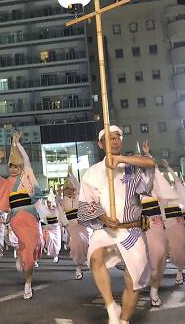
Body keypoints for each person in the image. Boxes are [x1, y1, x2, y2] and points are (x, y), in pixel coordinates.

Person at [78, 126, 155, 324]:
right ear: (100, 144)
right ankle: (111, 305)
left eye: (117, 137)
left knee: (133, 280)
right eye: (109, 138)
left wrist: (121, 159)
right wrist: (103, 217)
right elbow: (85, 206)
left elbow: (150, 164)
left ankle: (124, 320)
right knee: (95, 258)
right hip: (106, 229)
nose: (114, 141)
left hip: (132, 230)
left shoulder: (132, 166)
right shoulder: (92, 172)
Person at [0, 131, 46, 300]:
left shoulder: (26, 176)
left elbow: (27, 161)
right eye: (10, 166)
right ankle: (28, 283)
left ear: (21, 167)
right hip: (17, 219)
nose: (13, 169)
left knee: (34, 243)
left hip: (31, 217)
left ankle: (23, 256)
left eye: (16, 166)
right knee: (29, 244)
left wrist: (18, 144)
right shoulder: (7, 182)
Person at [142, 163, 183, 308]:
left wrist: (167, 168)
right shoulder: (134, 189)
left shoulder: (159, 191)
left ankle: (154, 291)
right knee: (141, 258)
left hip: (158, 228)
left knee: (159, 255)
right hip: (140, 228)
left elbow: (172, 185)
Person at [159, 159, 185, 286]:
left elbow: (177, 181)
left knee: (178, 251)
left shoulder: (174, 191)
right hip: (163, 226)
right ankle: (157, 277)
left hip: (174, 225)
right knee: (161, 252)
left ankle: (179, 274)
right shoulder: (159, 194)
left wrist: (168, 168)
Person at [57, 166, 89, 280]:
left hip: (83, 223)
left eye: (70, 189)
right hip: (72, 226)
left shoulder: (79, 197)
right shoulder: (62, 202)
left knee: (85, 243)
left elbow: (78, 185)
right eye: (66, 189)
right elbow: (61, 214)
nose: (69, 191)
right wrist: (66, 224)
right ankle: (79, 267)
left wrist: (71, 174)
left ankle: (86, 259)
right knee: (76, 245)